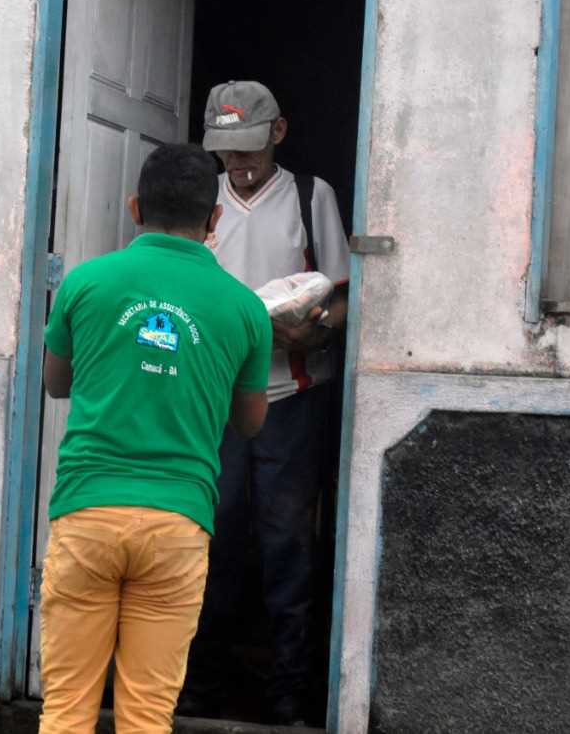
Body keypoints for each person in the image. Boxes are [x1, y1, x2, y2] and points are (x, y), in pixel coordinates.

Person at [38, 142, 274, 734]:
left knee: (65, 710)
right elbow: (250, 423)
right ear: (214, 218)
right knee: (146, 716)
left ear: (135, 208)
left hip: (88, 511)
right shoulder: (246, 310)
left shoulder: (84, 284)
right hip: (177, 523)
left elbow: (56, 383)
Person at [180, 80, 350, 726]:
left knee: (286, 543)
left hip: (291, 398)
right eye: (227, 151)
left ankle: (289, 694)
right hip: (215, 403)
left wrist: (314, 331)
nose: (239, 162)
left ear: (278, 132)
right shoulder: (201, 203)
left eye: (250, 147)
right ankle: (201, 685)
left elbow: (339, 295)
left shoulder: (310, 195)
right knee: (211, 538)